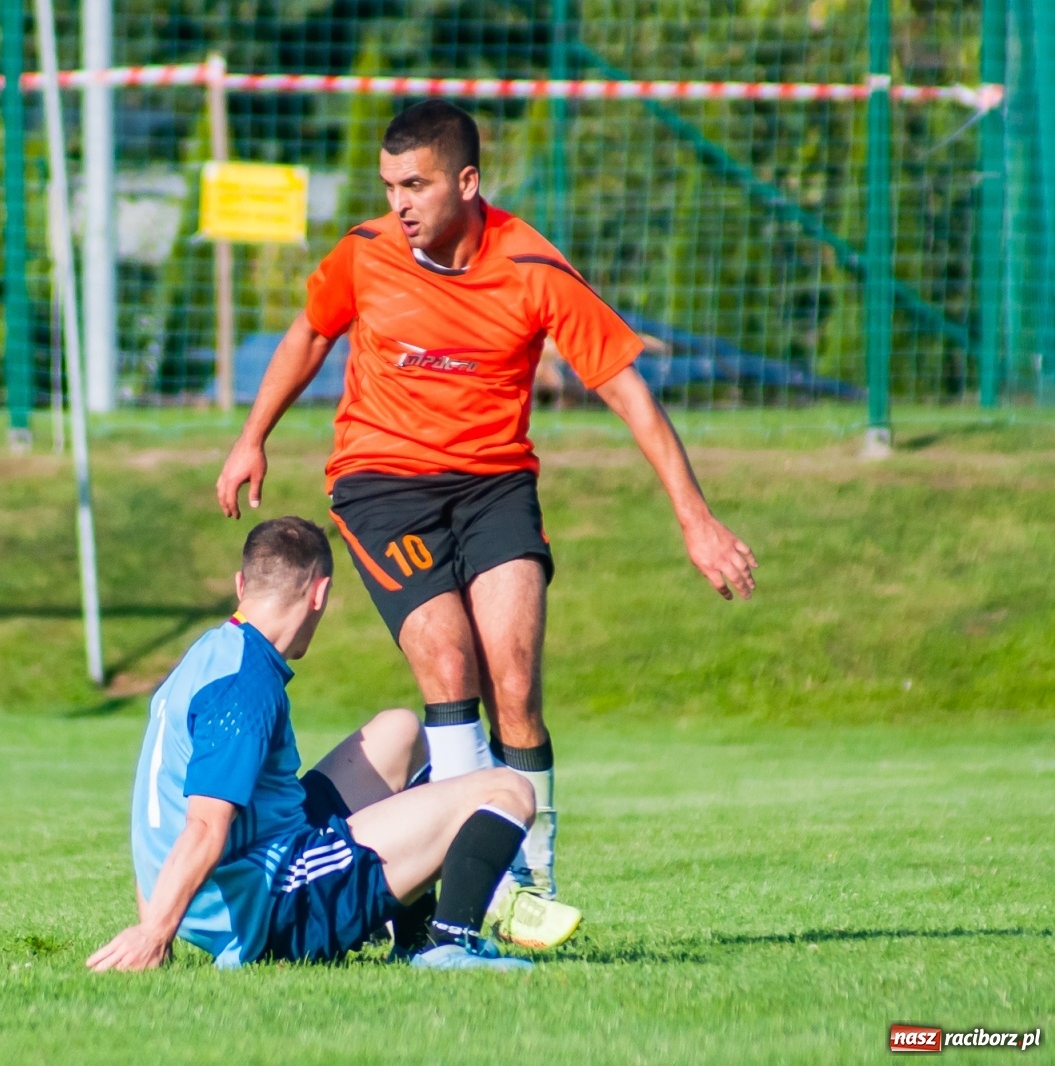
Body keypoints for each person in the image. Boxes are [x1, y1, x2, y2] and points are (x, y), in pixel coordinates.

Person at [214, 100, 759, 949]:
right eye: (390, 185)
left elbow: (629, 394)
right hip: (382, 484)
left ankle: (530, 874)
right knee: (447, 660)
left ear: (468, 183)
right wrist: (252, 438)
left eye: (417, 184)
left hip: (495, 485)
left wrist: (697, 521)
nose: (399, 203)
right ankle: (487, 892)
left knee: (516, 681)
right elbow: (306, 336)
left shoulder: (533, 266)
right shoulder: (364, 255)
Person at [88, 516, 537, 972]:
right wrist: (153, 934)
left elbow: (154, 807)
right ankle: (448, 946)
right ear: (319, 594)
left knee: (400, 732)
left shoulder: (215, 651)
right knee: (508, 790)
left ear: (241, 583)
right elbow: (204, 825)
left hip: (247, 870)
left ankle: (413, 936)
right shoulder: (245, 687)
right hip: (274, 908)